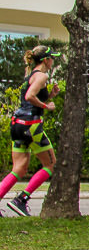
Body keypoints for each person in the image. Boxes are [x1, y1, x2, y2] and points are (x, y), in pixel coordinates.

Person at [0, 45, 61, 216]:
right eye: (52, 58)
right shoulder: (42, 75)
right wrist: (46, 106)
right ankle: (21, 199)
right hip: (31, 125)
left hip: (17, 125)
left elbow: (30, 98)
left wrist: (50, 96)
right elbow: (29, 97)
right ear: (45, 60)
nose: (53, 61)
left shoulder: (30, 75)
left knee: (19, 168)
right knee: (50, 164)